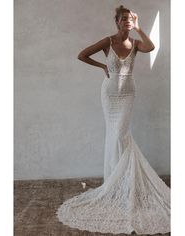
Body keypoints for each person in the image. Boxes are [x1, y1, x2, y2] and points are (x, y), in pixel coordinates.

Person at [56, 5, 170, 235]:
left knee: (121, 135)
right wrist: (101, 66)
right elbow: (82, 55)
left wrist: (139, 28)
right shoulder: (107, 42)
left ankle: (124, 184)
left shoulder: (136, 43)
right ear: (117, 22)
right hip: (110, 93)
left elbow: (151, 46)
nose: (127, 22)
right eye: (124, 19)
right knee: (114, 135)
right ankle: (114, 183)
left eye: (130, 20)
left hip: (128, 93)